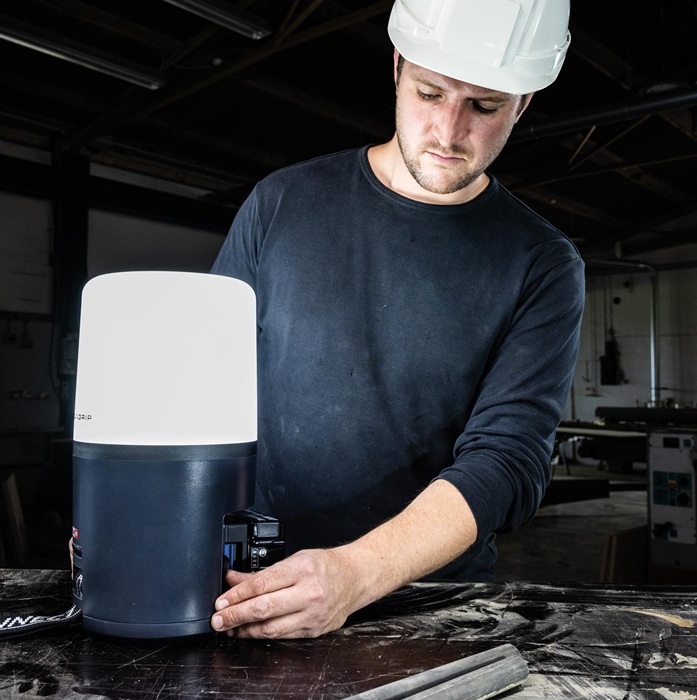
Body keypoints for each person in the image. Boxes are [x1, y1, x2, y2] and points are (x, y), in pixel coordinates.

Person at [210, 0, 583, 639]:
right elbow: (203, 384)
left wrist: (357, 572)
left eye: (485, 106)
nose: (448, 131)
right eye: (429, 93)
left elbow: (508, 459)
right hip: (261, 587)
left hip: (432, 607)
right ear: (397, 66)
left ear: (523, 104)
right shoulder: (281, 205)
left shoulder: (542, 264)